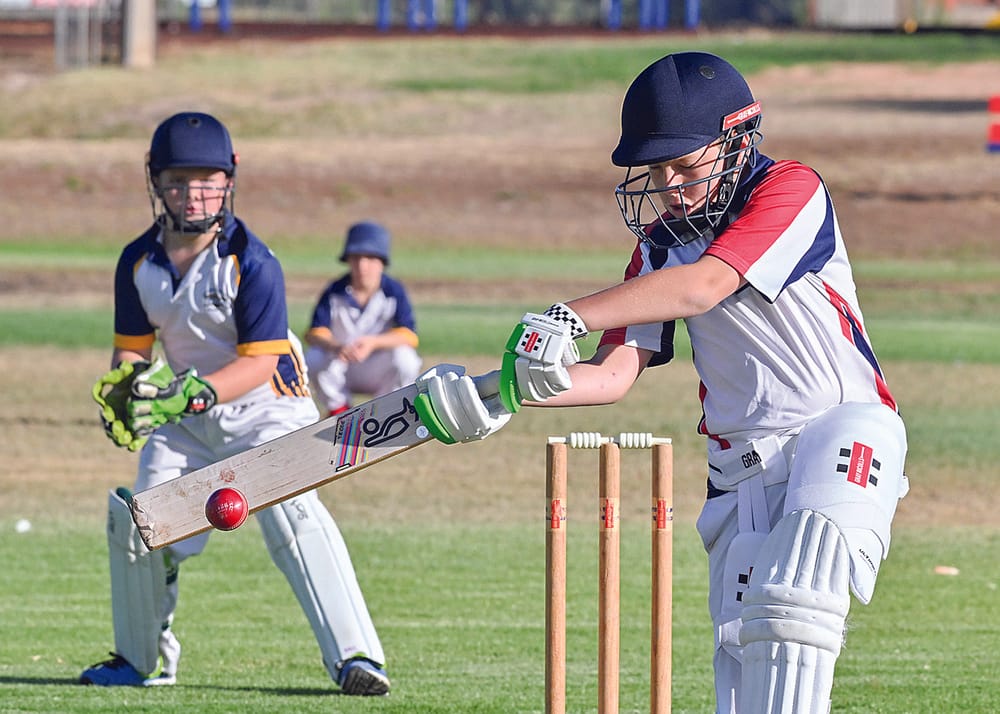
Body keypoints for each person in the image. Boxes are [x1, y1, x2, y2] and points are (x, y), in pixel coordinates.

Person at [412, 52, 909, 714]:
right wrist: (498, 392)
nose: (669, 184)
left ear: (735, 142)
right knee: (745, 671)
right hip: (740, 475)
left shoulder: (790, 190)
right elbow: (612, 375)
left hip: (841, 428)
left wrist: (571, 314)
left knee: (797, 598)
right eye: (656, 170)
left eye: (684, 165)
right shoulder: (658, 245)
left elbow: (705, 286)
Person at [82, 111, 390, 696]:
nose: (193, 195)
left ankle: (357, 658)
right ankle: (141, 659)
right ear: (155, 181)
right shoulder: (137, 263)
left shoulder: (251, 260)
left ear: (230, 179)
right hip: (188, 419)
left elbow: (259, 361)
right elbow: (131, 351)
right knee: (141, 525)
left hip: (269, 407)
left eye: (207, 180)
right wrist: (127, 393)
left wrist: (189, 396)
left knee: (293, 515)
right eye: (178, 180)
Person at [304, 220, 421, 417]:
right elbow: (315, 333)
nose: (362, 265)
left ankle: (386, 413)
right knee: (314, 358)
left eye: (370, 258)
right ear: (348, 260)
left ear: (382, 262)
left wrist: (373, 343)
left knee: (406, 359)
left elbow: (409, 335)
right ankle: (339, 412)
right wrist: (336, 346)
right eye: (356, 258)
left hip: (378, 367)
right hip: (342, 366)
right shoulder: (334, 290)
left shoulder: (393, 291)